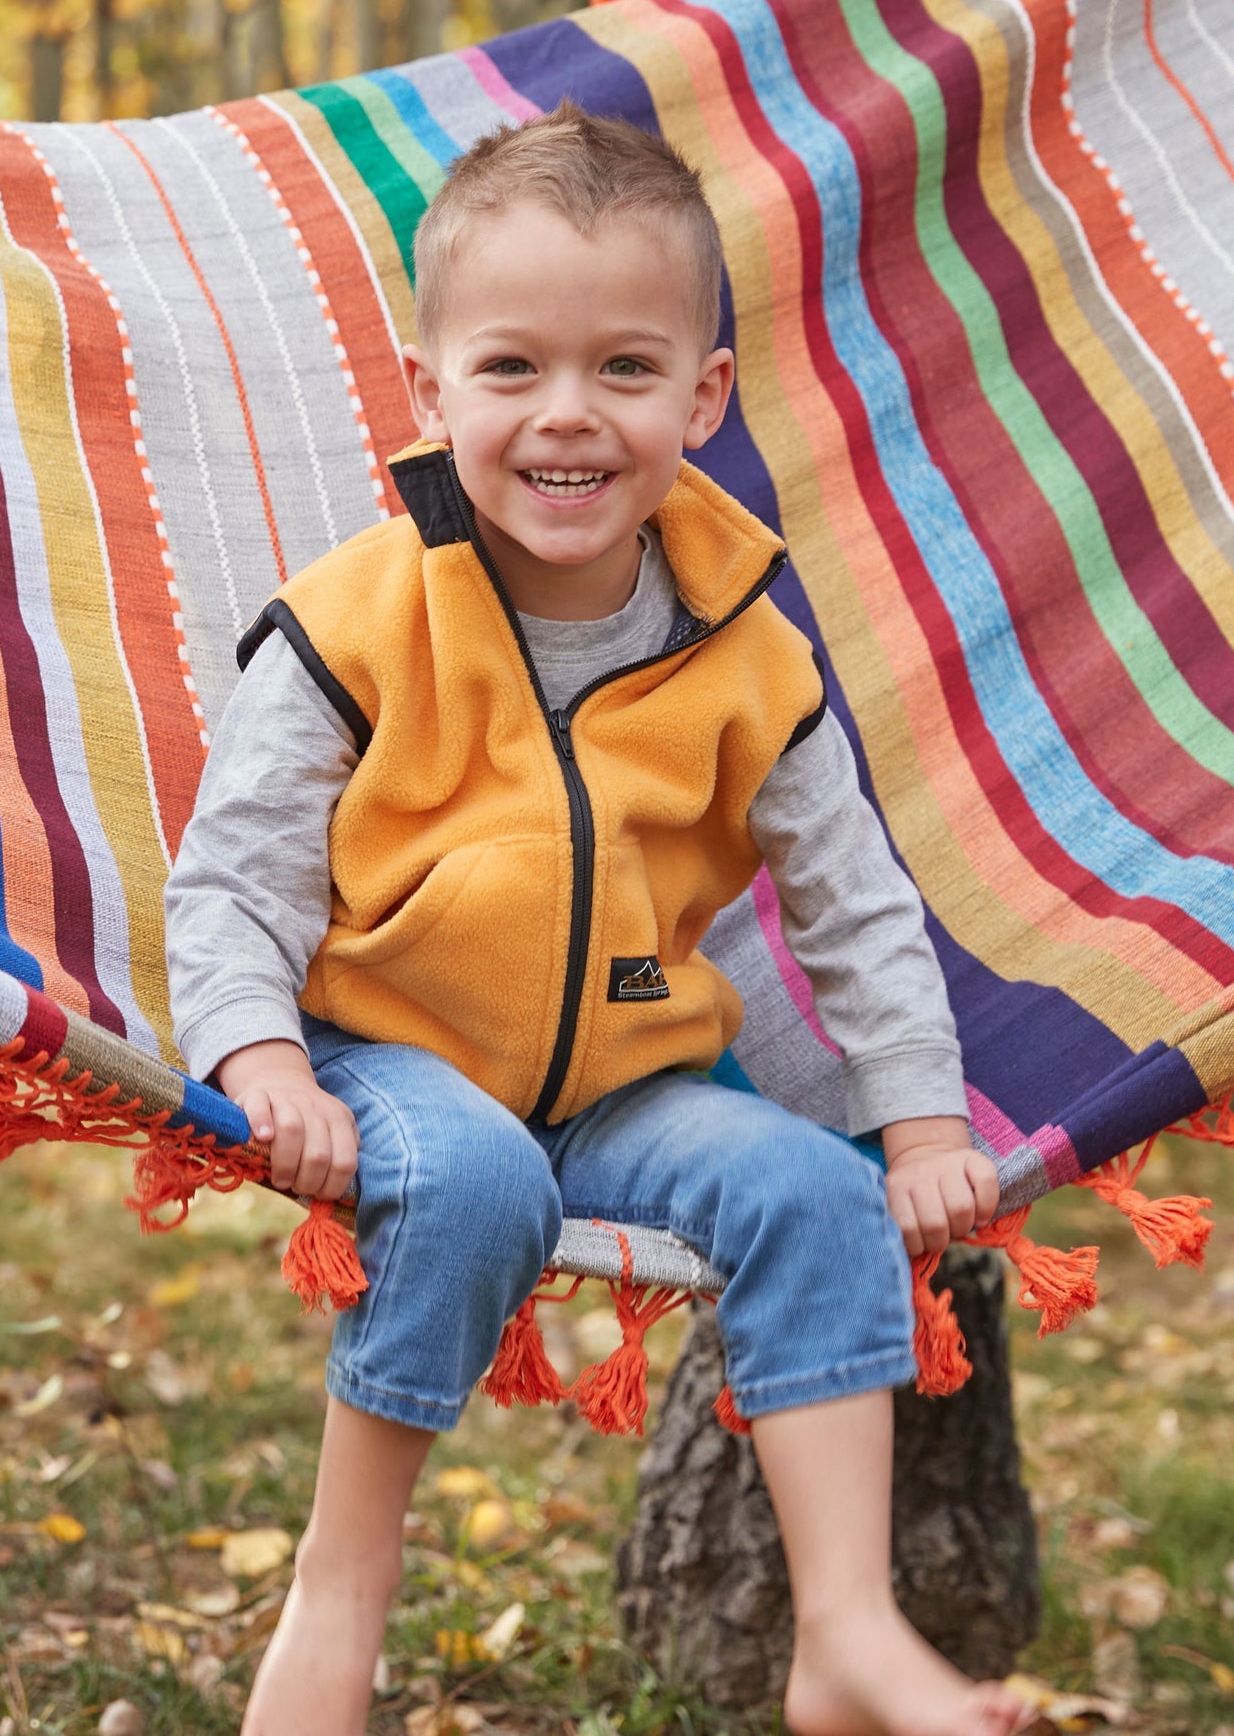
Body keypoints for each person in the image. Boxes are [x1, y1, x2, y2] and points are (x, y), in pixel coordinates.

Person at [164, 103, 1023, 1736]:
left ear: (702, 397)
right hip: (388, 1057)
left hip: (629, 1083)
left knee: (811, 1190)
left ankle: (844, 1628)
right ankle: (337, 1599)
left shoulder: (749, 651)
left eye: (626, 370)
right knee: (477, 1175)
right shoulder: (357, 618)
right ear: (429, 393)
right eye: (512, 370)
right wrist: (258, 1052)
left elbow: (855, 901)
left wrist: (915, 1123)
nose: (569, 416)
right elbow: (237, 869)